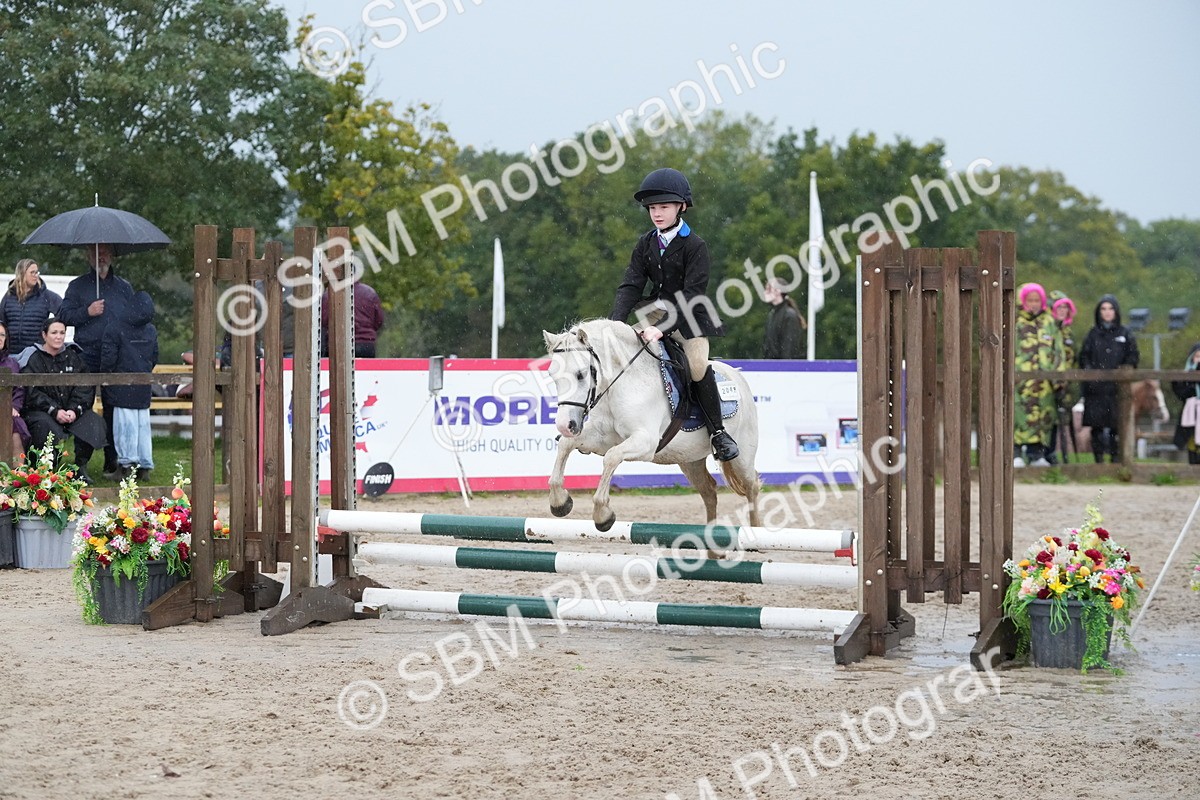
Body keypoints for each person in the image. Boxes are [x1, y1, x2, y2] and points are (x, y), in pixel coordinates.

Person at [609, 167, 737, 461]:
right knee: (621, 354)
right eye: (652, 208)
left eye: (664, 207)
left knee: (696, 366)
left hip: (689, 318)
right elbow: (631, 285)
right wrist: (615, 323)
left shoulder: (695, 246)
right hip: (654, 312)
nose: (656, 213)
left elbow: (692, 295)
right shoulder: (646, 243)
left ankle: (718, 433)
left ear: (681, 207)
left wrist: (662, 329)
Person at [56, 243, 135, 478]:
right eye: (95, 253)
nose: (101, 257)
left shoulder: (124, 288)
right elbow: (63, 316)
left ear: (112, 256)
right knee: (83, 408)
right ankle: (81, 463)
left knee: (115, 409)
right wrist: (87, 312)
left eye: (105, 253)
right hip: (86, 355)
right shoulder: (77, 286)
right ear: (88, 256)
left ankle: (114, 460)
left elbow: (134, 319)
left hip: (116, 357)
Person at [20, 319, 106, 483]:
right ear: (44, 335)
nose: (58, 337)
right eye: (54, 333)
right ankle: (46, 468)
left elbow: (85, 387)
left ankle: (80, 467)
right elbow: (32, 392)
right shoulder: (34, 359)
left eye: (62, 333)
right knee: (44, 425)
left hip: (70, 411)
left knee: (93, 421)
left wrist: (74, 409)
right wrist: (54, 410)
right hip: (43, 412)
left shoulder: (74, 358)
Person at [99, 292, 158, 481]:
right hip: (143, 383)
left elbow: (109, 359)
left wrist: (106, 378)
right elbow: (154, 356)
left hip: (121, 384)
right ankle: (144, 467)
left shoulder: (115, 328)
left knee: (124, 426)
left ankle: (126, 466)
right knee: (143, 427)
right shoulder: (150, 330)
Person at [1078, 294, 1140, 463]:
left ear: (1116, 311)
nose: (1107, 312)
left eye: (1111, 308)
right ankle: (1098, 462)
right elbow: (1084, 357)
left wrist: (1123, 371)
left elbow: (1133, 356)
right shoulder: (1093, 334)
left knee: (1116, 427)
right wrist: (1091, 375)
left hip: (1117, 390)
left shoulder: (1125, 334)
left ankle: (1116, 461)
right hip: (1096, 390)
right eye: (1103, 309)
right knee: (1097, 428)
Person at [1013, 282, 1064, 467]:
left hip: (1044, 383)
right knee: (1019, 416)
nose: (1034, 304)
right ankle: (1016, 452)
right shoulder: (1016, 322)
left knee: (1043, 418)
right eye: (1030, 300)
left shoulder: (1049, 322)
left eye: (1037, 300)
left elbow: (1058, 351)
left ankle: (1037, 454)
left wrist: (1058, 379)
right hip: (1020, 382)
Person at [0, 259, 63, 357]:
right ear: (22, 274)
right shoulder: (8, 297)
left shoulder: (46, 296)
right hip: (11, 353)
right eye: (32, 272)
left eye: (37, 272)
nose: (35, 275)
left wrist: (50, 333)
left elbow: (63, 315)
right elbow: (1, 323)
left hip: (36, 354)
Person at [1046, 291, 1078, 463]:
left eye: (1066, 307)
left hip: (1065, 385)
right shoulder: (1048, 329)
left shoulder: (1068, 333)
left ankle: (1062, 456)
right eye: (1059, 307)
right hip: (1047, 383)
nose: (1062, 310)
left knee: (1062, 420)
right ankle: (1047, 453)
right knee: (1047, 418)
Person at [321, 281, 385, 358]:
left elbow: (324, 320)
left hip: (338, 344)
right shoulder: (370, 293)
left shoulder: (330, 294)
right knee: (365, 365)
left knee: (339, 365)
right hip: (365, 343)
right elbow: (379, 320)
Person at [0, 322, 32, 457]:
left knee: (16, 425)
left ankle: (18, 469)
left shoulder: (12, 363)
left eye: (2, 335)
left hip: (8, 410)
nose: (0, 338)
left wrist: (14, 406)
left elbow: (19, 390)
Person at [1170, 342, 1200, 465]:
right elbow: (1181, 393)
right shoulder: (1186, 374)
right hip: (1190, 413)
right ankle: (1193, 465)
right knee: (1191, 438)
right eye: (1197, 356)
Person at [762, 277, 806, 359]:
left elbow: (789, 349)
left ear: (778, 291)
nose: (765, 292)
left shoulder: (789, 316)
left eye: (769, 289)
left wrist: (783, 365)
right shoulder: (772, 314)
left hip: (784, 365)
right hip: (773, 364)